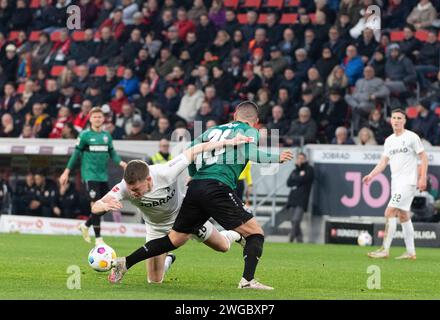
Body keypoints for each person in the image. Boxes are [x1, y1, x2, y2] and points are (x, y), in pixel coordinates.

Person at [108, 101, 293, 289]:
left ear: (235, 115)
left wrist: (194, 174)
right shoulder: (248, 129)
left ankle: (126, 262)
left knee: (175, 239)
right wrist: (275, 158)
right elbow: (250, 151)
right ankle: (247, 281)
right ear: (256, 121)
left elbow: (191, 151)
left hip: (196, 188)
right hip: (218, 187)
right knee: (255, 233)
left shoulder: (213, 131)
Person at [92, 133, 250, 284]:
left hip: (185, 219)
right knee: (154, 281)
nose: (133, 193)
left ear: (148, 179)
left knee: (223, 246)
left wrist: (229, 142)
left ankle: (235, 235)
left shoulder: (166, 171)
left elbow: (197, 148)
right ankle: (167, 259)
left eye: (137, 189)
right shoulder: (124, 188)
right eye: (130, 189)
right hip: (156, 228)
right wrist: (104, 206)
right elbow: (96, 206)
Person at [364, 109, 428, 260]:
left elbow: (424, 158)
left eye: (400, 118)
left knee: (389, 212)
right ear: (391, 120)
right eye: (394, 118)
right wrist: (371, 175)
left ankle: (384, 249)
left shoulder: (412, 137)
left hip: (408, 182)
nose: (397, 120)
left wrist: (423, 177)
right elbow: (383, 162)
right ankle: (411, 252)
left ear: (404, 121)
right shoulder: (389, 140)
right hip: (396, 183)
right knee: (403, 215)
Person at [59, 107, 127, 245]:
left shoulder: (107, 136)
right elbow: (76, 154)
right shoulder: (84, 135)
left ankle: (85, 225)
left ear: (103, 119)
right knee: (96, 205)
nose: (97, 119)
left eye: (100, 117)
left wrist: (121, 163)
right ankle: (98, 239)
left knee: (105, 205)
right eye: (95, 117)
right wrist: (66, 171)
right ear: (90, 119)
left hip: (103, 176)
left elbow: (112, 153)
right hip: (90, 175)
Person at [286, 152, 314, 243]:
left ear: (305, 159)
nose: (300, 160)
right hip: (292, 199)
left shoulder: (309, 169)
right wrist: (299, 178)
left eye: (302, 158)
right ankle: (300, 240)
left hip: (302, 199)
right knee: (293, 221)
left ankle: (291, 236)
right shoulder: (295, 171)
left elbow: (305, 179)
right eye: (298, 158)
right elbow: (289, 183)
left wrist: (297, 179)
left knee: (296, 220)